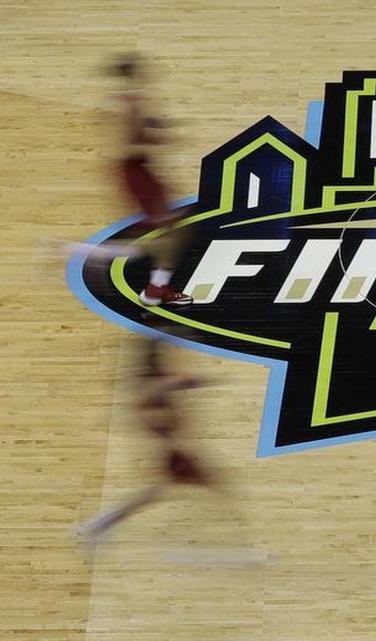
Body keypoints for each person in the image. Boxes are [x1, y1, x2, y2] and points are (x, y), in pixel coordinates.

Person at [75, 336, 212, 546]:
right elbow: (169, 388)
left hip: (169, 445)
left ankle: (100, 525)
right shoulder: (152, 386)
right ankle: (98, 525)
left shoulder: (150, 383)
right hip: (169, 448)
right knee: (209, 485)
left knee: (156, 492)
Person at [111, 53, 193, 306]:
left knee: (173, 227)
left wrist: (155, 125)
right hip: (136, 172)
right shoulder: (129, 104)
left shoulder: (131, 99)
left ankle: (156, 286)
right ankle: (154, 288)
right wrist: (158, 138)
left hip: (141, 170)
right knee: (173, 230)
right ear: (135, 74)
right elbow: (128, 144)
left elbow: (137, 129)